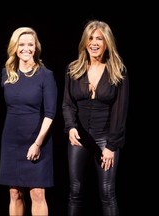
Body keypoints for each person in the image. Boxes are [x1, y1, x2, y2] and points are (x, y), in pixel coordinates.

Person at [62, 20, 129, 216]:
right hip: (79, 138)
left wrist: (111, 145)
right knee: (75, 191)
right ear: (85, 42)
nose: (94, 42)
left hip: (105, 139)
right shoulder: (73, 69)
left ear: (106, 42)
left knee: (107, 193)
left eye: (99, 38)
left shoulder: (118, 71)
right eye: (90, 38)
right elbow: (67, 104)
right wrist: (71, 127)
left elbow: (121, 111)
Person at [0, 27, 58, 216]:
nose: (26, 48)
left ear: (36, 47)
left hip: (37, 140)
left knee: (38, 193)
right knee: (15, 193)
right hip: (11, 142)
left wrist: (37, 143)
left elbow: (50, 113)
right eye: (21, 44)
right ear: (15, 47)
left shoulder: (45, 75)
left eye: (30, 44)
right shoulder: (7, 73)